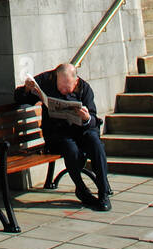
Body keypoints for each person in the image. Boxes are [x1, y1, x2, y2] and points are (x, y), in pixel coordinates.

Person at [15, 61, 112, 211]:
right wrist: (26, 90)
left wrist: (86, 119)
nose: (63, 92)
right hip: (58, 134)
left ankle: (104, 192)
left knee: (96, 143)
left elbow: (93, 119)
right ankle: (82, 189)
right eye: (61, 88)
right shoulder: (46, 81)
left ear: (76, 81)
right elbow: (21, 99)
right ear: (55, 77)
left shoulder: (85, 89)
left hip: (82, 132)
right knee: (70, 147)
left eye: (68, 88)